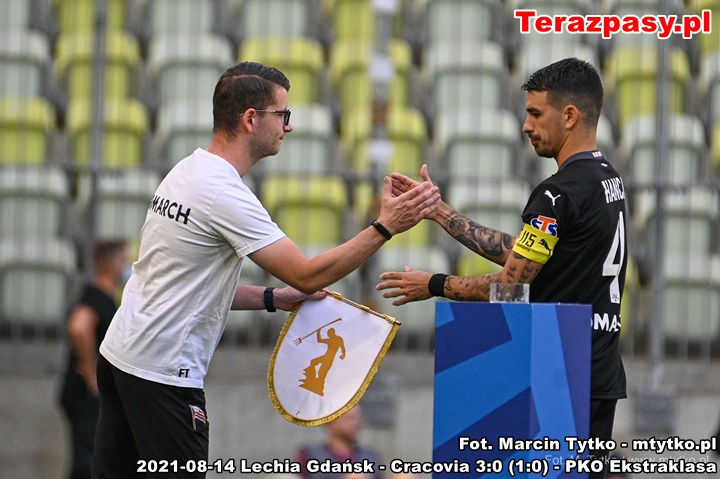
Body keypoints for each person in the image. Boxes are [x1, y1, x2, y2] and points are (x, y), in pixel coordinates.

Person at [92, 61, 440, 478]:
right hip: (163, 373)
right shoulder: (223, 192)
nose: (288, 126)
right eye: (283, 114)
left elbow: (187, 287)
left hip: (121, 356)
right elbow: (306, 275)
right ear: (250, 119)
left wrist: (274, 297)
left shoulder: (187, 170)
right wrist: (385, 227)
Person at [377, 58, 627, 479]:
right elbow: (527, 255)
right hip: (598, 367)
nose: (526, 126)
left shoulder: (558, 193)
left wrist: (434, 283)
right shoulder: (607, 179)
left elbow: (513, 283)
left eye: (535, 114)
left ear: (569, 116)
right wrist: (439, 211)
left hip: (558, 373)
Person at [59, 240, 130, 479]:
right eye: (124, 260)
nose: (127, 267)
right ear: (111, 263)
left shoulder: (106, 297)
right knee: (86, 464)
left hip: (91, 393)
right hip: (86, 393)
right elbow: (78, 327)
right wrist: (91, 372)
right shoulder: (96, 296)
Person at [295, 405, 383, 479]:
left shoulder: (371, 457)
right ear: (331, 422)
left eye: (358, 418)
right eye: (349, 419)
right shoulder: (309, 455)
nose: (356, 423)